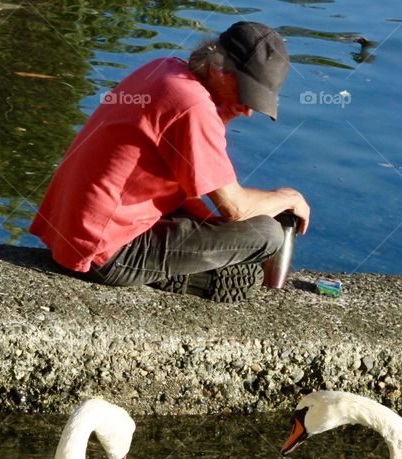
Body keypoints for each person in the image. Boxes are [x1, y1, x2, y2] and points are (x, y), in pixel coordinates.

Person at [30, 22, 310, 302]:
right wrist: (288, 198)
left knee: (224, 223)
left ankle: (185, 265)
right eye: (247, 95)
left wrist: (215, 230)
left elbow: (184, 189)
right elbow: (236, 208)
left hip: (70, 231)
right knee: (266, 233)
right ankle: (191, 278)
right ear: (219, 69)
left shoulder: (164, 69)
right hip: (105, 253)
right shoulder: (194, 108)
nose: (249, 111)